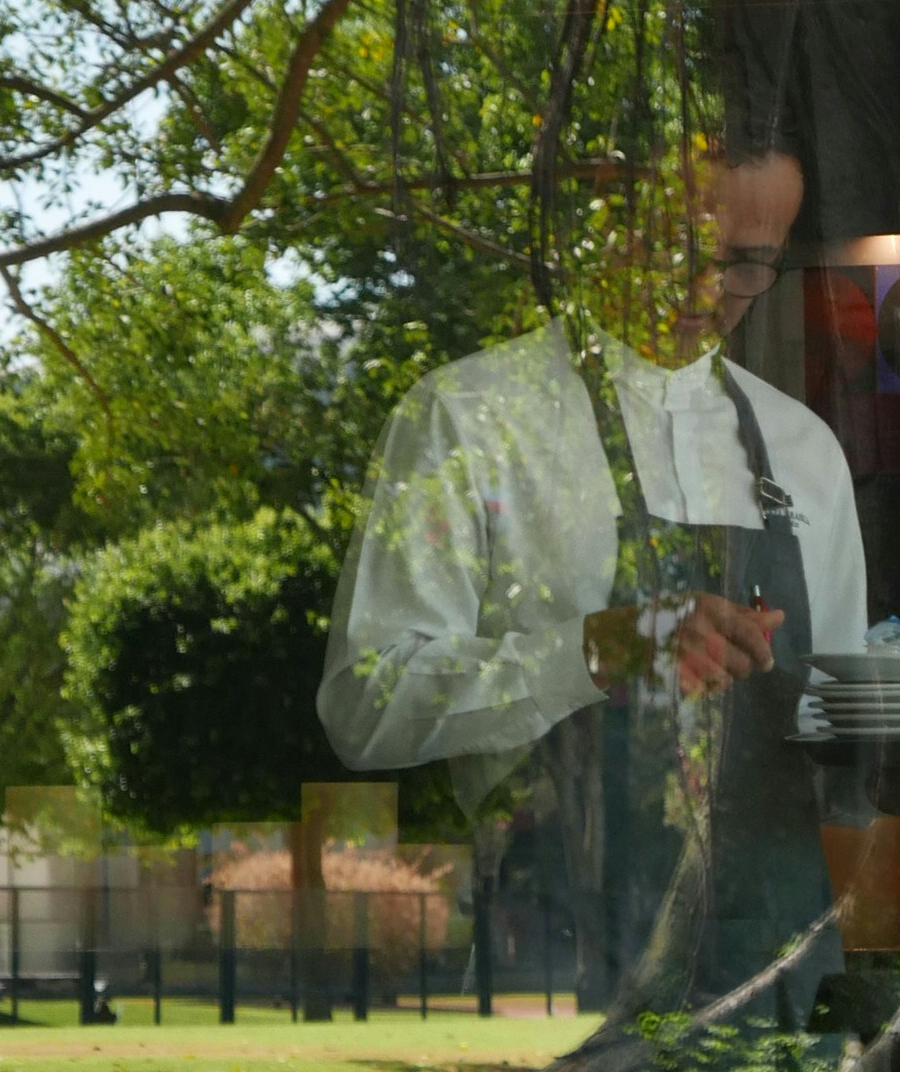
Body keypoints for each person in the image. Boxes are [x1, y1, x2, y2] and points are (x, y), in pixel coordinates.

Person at [318, 135, 867, 1022]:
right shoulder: (471, 418)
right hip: (556, 976)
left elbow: (837, 726)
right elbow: (365, 704)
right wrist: (603, 645)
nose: (705, 293)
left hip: (776, 967)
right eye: (683, 252)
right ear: (612, 219)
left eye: (745, 266)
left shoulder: (803, 450)